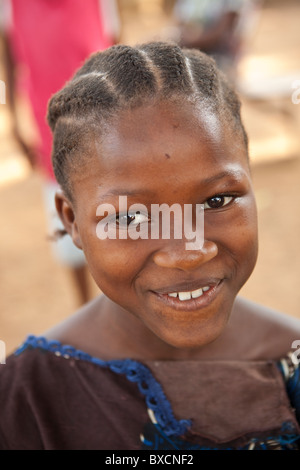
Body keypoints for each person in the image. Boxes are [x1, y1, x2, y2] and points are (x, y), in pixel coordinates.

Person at [0, 42, 300, 450]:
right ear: (71, 221)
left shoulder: (291, 367)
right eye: (129, 217)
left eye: (216, 201)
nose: (187, 251)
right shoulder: (27, 401)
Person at [0, 0, 120, 304]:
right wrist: (14, 121)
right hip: (48, 127)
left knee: (116, 218)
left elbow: (119, 55)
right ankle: (86, 306)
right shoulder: (12, 6)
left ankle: (121, 307)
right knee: (69, 229)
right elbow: (10, 61)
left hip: (103, 122)